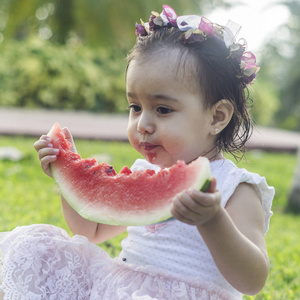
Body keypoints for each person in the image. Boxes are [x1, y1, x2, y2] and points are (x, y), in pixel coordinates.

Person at [0, 5, 274, 300]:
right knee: (35, 249)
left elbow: (253, 279)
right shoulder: (143, 171)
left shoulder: (235, 186)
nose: (142, 124)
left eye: (163, 109)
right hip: (116, 288)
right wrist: (66, 176)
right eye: (135, 107)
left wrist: (213, 220)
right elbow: (90, 231)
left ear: (217, 117)